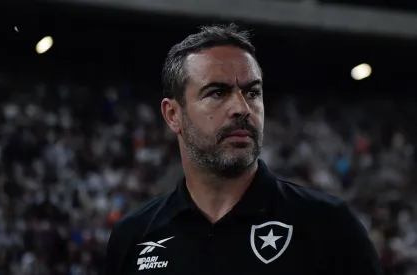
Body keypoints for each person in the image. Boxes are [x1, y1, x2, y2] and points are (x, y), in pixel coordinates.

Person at [104, 24, 382, 275]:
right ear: (173, 115)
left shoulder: (330, 227)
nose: (241, 108)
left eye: (252, 92)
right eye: (217, 92)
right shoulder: (134, 235)